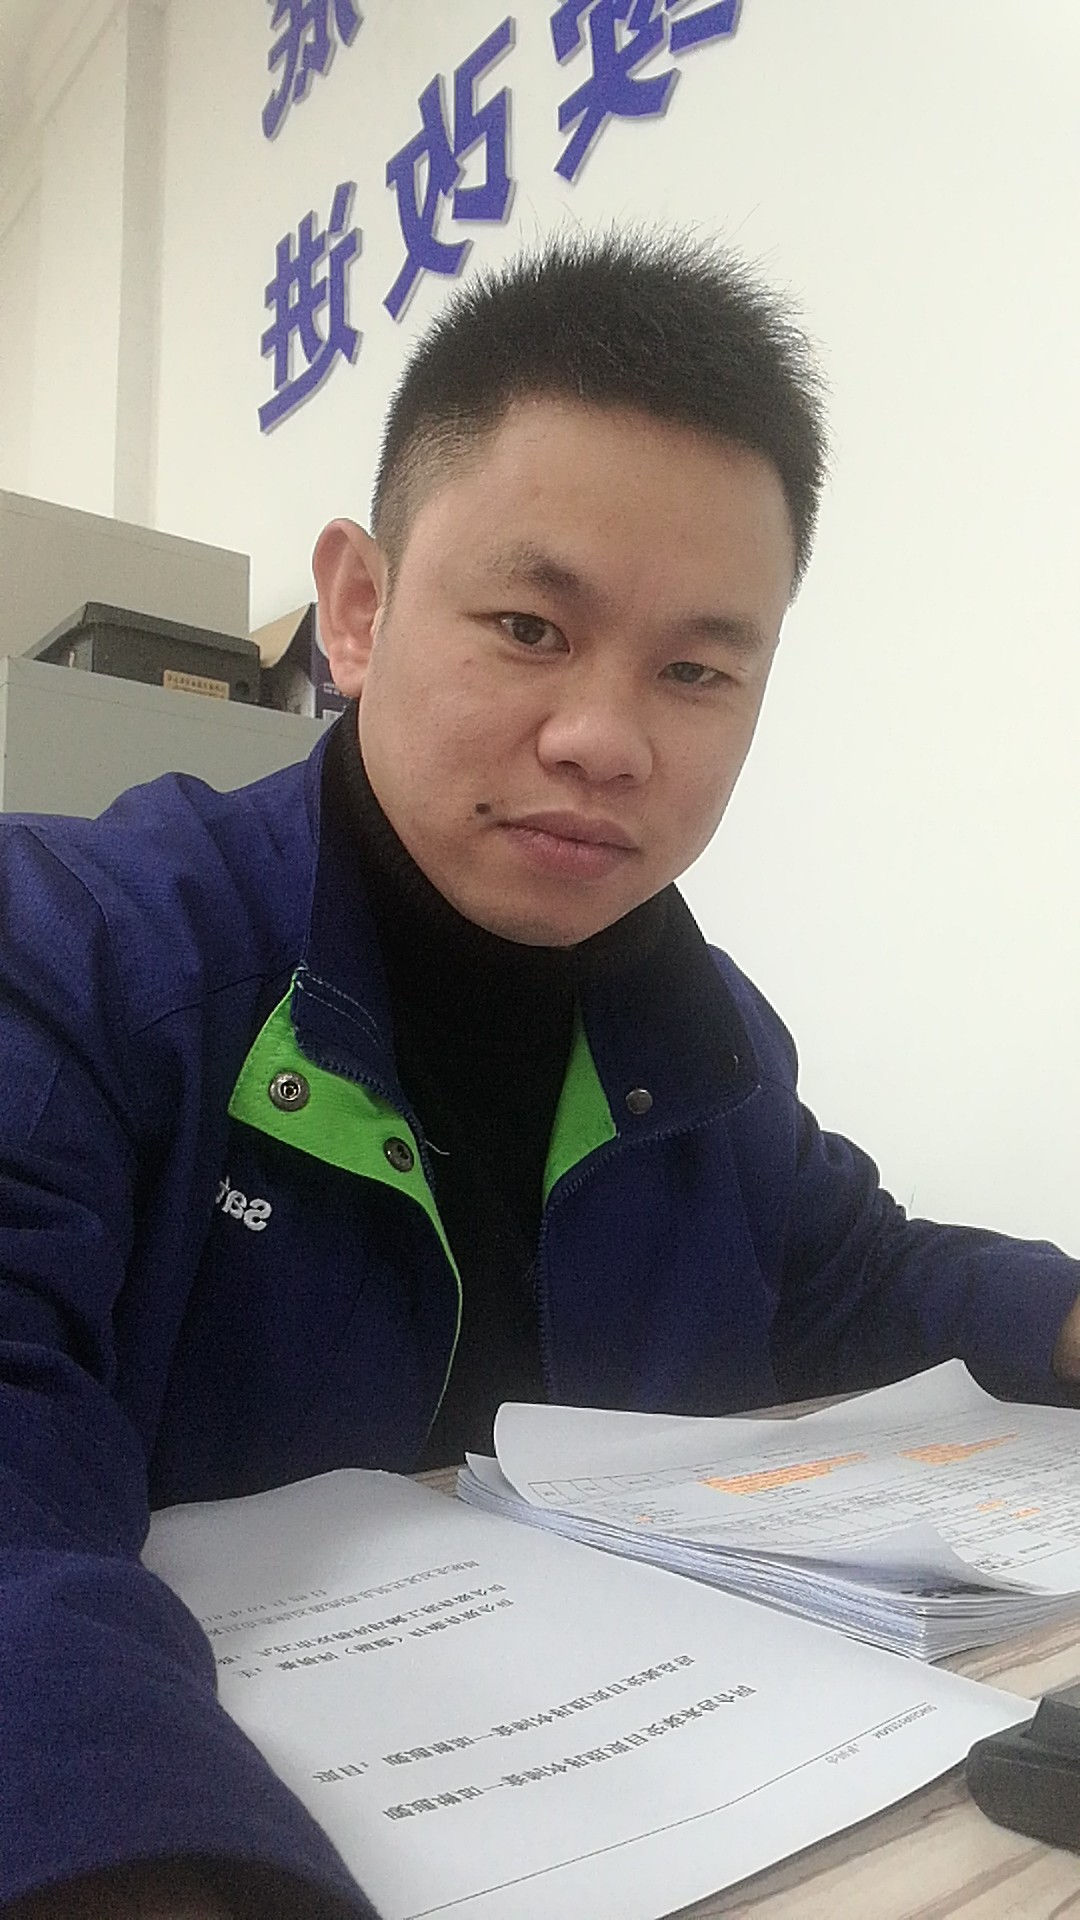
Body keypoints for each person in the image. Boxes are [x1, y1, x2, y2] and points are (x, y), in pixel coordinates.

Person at [3, 232, 1079, 1920]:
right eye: (529, 625)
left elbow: (854, 1276)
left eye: (697, 670)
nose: (606, 738)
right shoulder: (74, 954)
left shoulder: (701, 1034)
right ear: (358, 611)